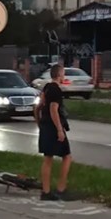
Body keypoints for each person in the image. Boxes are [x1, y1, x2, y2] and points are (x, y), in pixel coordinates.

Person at [36, 64, 73, 201]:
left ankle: (45, 191)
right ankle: (61, 188)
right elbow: (53, 110)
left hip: (46, 126)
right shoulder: (56, 90)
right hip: (54, 128)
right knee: (67, 156)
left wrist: (39, 122)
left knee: (48, 158)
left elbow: (38, 107)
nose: (64, 76)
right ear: (59, 75)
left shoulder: (46, 88)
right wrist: (59, 130)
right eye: (63, 73)